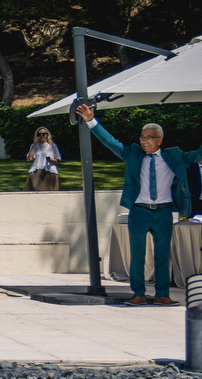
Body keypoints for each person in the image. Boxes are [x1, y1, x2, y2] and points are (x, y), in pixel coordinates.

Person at [76, 104, 202, 306]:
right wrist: (91, 120)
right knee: (137, 255)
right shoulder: (133, 154)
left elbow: (197, 154)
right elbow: (111, 142)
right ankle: (139, 293)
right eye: (142, 137)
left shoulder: (174, 155)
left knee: (162, 255)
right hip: (139, 211)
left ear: (159, 140)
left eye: (148, 138)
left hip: (164, 212)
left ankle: (162, 294)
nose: (143, 141)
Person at [24, 127, 62, 191]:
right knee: (34, 189)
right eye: (39, 134)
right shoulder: (34, 145)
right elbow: (30, 158)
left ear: (47, 135)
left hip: (49, 171)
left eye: (43, 134)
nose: (41, 136)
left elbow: (57, 159)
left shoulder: (52, 146)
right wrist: (35, 144)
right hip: (36, 170)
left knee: (50, 192)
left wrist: (52, 160)